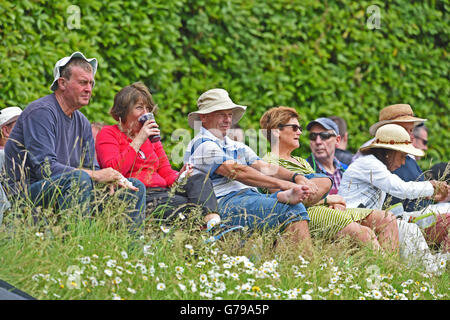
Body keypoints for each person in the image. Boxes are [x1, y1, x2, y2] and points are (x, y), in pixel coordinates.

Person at [4, 52, 146, 232]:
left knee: (134, 188)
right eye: (82, 82)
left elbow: (91, 168)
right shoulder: (41, 113)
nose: (89, 89)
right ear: (62, 83)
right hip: (26, 194)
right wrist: (95, 175)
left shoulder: (82, 122)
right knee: (80, 179)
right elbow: (45, 169)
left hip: (73, 185)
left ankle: (128, 256)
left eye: (91, 83)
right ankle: (76, 250)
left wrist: (110, 180)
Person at [183, 88, 333, 254]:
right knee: (292, 209)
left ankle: (296, 197)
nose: (227, 119)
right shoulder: (202, 144)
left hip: (251, 197)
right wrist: (284, 184)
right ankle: (306, 269)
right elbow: (237, 171)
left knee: (323, 179)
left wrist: (296, 177)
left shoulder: (235, 145)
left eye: (230, 114)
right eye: (221, 114)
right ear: (204, 117)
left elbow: (265, 167)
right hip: (224, 203)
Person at [260, 106, 399, 251]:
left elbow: (317, 190)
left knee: (387, 218)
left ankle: (391, 271)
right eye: (294, 128)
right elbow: (280, 199)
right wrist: (327, 200)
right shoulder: (269, 162)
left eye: (299, 128)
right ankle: (388, 271)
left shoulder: (300, 161)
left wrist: (333, 202)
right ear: (276, 132)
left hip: (323, 208)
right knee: (365, 233)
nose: (300, 132)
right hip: (305, 214)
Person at [95, 82, 221, 230]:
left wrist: (180, 176)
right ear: (122, 111)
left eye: (148, 108)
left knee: (198, 179)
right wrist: (139, 138)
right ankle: (211, 230)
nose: (145, 113)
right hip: (140, 193)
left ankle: (213, 222)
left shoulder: (151, 138)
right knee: (187, 206)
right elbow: (113, 170)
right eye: (139, 107)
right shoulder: (109, 133)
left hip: (164, 192)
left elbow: (166, 172)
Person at [338, 124, 450, 259]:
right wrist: (432, 186)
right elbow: (400, 188)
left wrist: (429, 194)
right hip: (350, 216)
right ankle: (426, 267)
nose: (404, 162)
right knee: (406, 228)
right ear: (388, 152)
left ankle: (431, 265)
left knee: (405, 225)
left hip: (363, 216)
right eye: (402, 156)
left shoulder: (377, 165)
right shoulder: (370, 163)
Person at [365, 104, 430, 212]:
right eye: (406, 130)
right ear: (390, 130)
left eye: (411, 130)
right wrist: (431, 188)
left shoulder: (408, 156)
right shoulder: (374, 156)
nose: (412, 136)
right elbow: (399, 189)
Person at [306, 117, 348, 195]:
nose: (318, 142)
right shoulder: (303, 170)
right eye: (313, 136)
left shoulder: (346, 170)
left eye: (324, 136)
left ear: (337, 140)